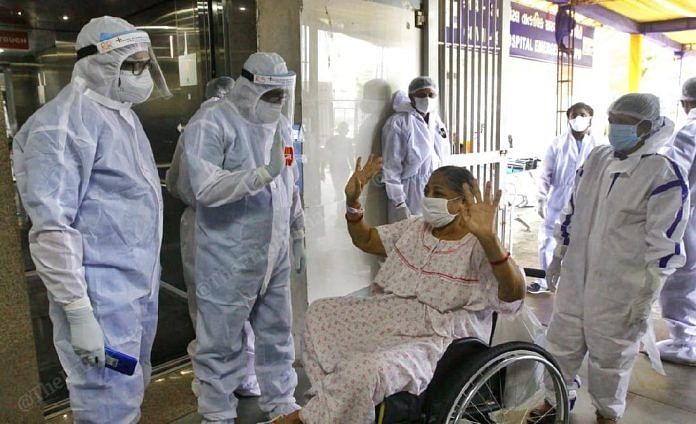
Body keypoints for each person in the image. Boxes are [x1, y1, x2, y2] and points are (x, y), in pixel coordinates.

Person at [270, 158, 526, 424]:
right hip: (398, 316)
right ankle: (333, 405)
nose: (428, 198)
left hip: (440, 338)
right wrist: (352, 203)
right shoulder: (417, 228)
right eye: (426, 191)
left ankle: (308, 417)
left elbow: (513, 293)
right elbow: (366, 239)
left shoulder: (478, 245)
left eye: (437, 194)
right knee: (320, 314)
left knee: (364, 370)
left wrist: (489, 239)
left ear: (464, 202)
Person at [12, 16, 170, 422]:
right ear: (97, 63)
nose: (139, 74)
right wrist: (79, 312)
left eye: (143, 64)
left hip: (133, 290)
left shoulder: (122, 115)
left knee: (127, 394)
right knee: (105, 405)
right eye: (130, 65)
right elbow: (51, 228)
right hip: (99, 298)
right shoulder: (61, 126)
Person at [533, 93, 688, 424]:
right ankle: (556, 398)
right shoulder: (598, 159)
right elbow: (574, 210)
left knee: (611, 356)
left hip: (621, 288)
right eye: (613, 118)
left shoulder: (662, 174)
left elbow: (664, 246)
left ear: (646, 127)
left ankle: (607, 414)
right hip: (577, 277)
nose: (616, 126)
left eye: (625, 122)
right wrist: (560, 252)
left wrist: (647, 296)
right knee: (561, 343)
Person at [183, 52, 305, 423]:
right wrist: (259, 175)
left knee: (277, 329)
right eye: (271, 96)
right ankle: (217, 410)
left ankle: (281, 399)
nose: (278, 104)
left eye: (282, 95)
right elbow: (205, 187)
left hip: (275, 249)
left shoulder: (281, 125)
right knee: (220, 338)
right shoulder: (212, 122)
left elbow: (289, 179)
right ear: (248, 88)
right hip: (228, 254)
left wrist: (297, 228)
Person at [165, 76, 261, 397]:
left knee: (208, 307)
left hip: (205, 227)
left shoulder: (198, 126)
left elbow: (176, 181)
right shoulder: (241, 126)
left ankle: (217, 383)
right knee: (238, 303)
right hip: (235, 226)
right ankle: (242, 377)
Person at [529, 102, 606, 294]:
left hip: (588, 198)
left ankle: (576, 283)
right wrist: (540, 197)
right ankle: (548, 279)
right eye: (574, 115)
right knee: (549, 239)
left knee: (583, 238)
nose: (578, 119)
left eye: (582, 114)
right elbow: (545, 172)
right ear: (568, 119)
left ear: (590, 118)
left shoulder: (600, 145)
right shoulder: (557, 144)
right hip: (559, 198)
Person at [658, 76, 696, 365]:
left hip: (688, 217)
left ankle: (684, 341)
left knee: (679, 279)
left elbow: (670, 176)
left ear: (685, 102)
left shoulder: (688, 131)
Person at [381, 76, 450, 223]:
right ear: (411, 97)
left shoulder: (435, 121)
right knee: (408, 239)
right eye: (422, 95)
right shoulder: (398, 122)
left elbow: (443, 155)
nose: (427, 99)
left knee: (431, 238)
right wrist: (399, 202)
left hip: (435, 191)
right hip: (410, 193)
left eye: (431, 95)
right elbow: (391, 166)